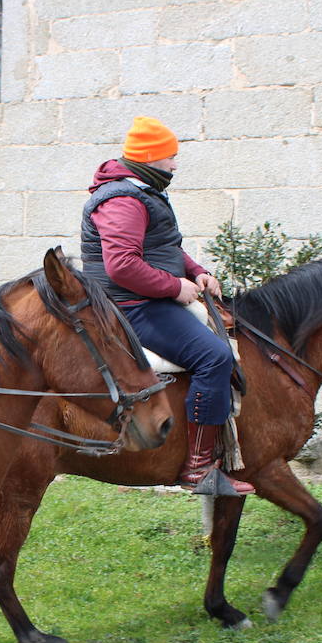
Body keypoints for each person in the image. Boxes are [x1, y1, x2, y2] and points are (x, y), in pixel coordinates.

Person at [80, 116, 254, 495]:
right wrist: (175, 287)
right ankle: (198, 469)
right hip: (131, 307)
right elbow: (122, 265)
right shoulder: (122, 199)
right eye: (170, 157)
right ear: (149, 157)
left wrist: (197, 271)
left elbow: (164, 247)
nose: (174, 165)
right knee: (214, 358)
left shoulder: (141, 191)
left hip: (149, 297)